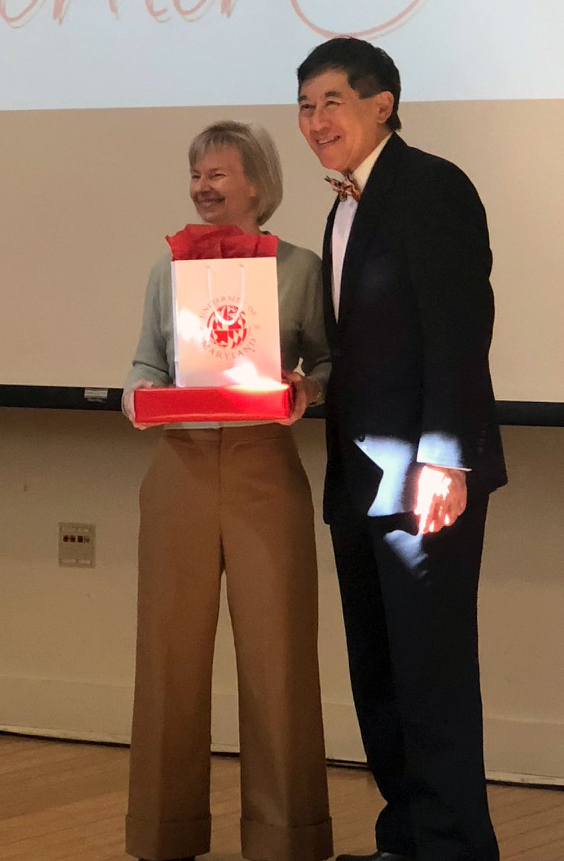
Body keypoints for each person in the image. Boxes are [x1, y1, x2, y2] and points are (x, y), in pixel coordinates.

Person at [296, 38, 508, 861]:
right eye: (306, 106)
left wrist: (445, 459)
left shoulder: (430, 186)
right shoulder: (342, 205)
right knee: (380, 672)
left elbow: (460, 332)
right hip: (359, 479)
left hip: (426, 479)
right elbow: (366, 348)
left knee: (433, 671)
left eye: (333, 102)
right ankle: (409, 836)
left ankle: (454, 846)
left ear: (383, 104)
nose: (317, 121)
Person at [122, 120, 333, 861]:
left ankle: (286, 836)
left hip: (262, 464)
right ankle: (163, 832)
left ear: (257, 183)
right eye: (196, 175)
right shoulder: (167, 267)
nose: (203, 187)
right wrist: (139, 392)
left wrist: (306, 385)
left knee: (278, 654)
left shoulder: (300, 267)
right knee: (168, 655)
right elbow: (147, 361)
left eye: (217, 174)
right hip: (178, 462)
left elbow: (330, 363)